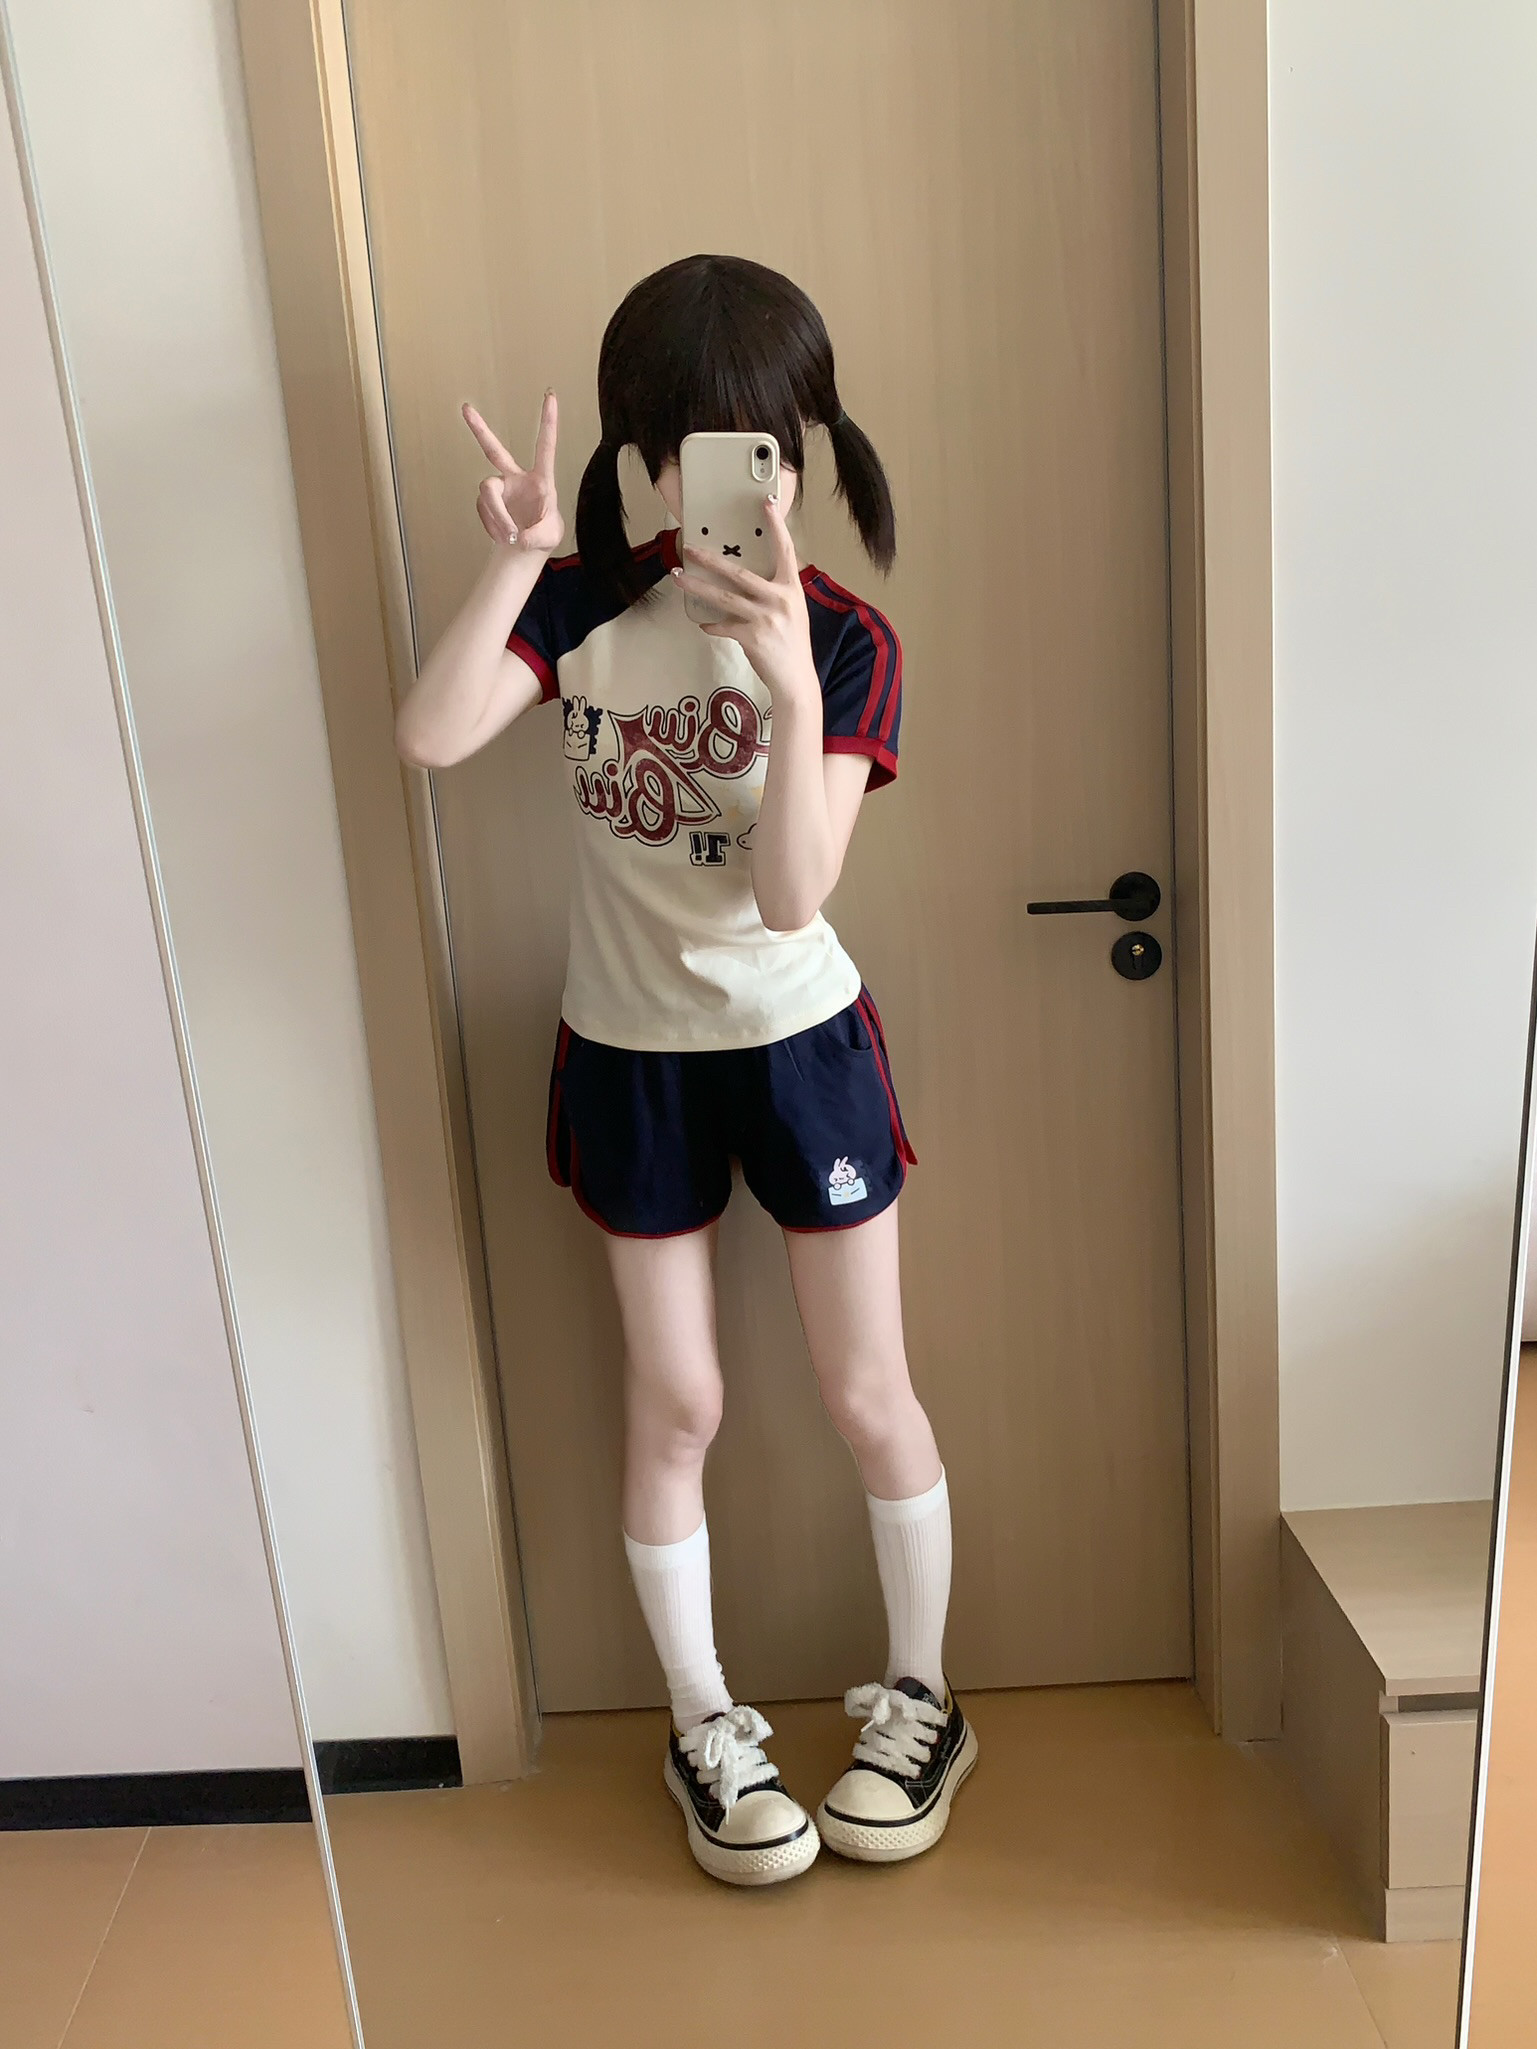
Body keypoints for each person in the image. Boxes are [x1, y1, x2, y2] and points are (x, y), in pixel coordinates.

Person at [395, 254, 977, 1886]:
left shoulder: (845, 641)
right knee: (679, 1402)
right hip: (628, 1053)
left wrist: (781, 685)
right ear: (648, 453)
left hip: (800, 1048)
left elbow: (790, 896)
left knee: (866, 1392)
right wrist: (515, 564)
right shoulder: (584, 602)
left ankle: (921, 1697)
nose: (742, 480)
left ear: (803, 446)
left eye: (767, 446)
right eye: (700, 446)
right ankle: (703, 1719)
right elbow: (431, 735)